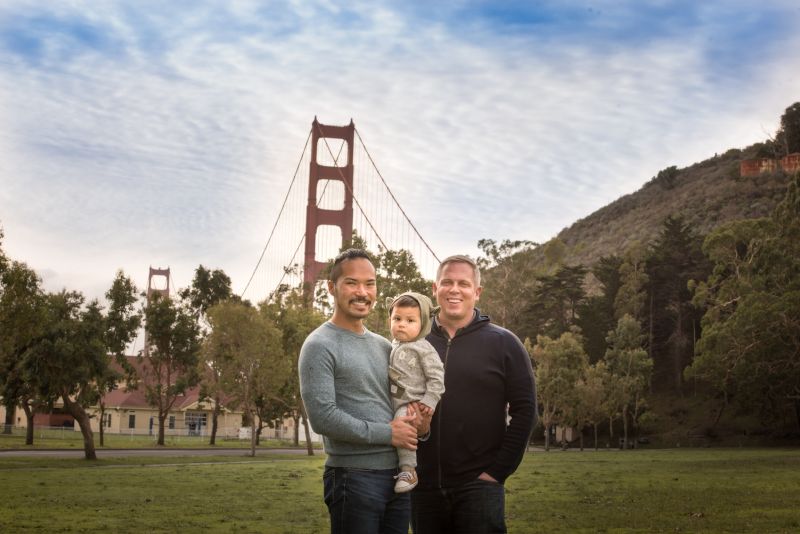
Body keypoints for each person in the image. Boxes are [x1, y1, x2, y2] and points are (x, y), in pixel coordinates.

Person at [298, 248, 424, 534]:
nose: (362, 292)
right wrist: (388, 433)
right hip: (353, 479)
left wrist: (419, 422)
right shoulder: (319, 345)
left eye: (370, 284)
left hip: (399, 478)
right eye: (352, 283)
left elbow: (398, 403)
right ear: (332, 287)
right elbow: (323, 418)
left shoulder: (384, 345)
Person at [411, 255, 538, 534]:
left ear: (477, 292)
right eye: (447, 282)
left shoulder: (504, 343)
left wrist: (495, 474)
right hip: (423, 488)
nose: (454, 289)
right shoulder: (413, 342)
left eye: (463, 284)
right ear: (435, 289)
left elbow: (526, 410)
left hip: (479, 488)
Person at [386, 291, 445, 493]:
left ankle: (408, 470)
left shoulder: (424, 348)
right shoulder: (391, 345)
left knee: (404, 424)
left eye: (410, 320)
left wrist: (429, 400)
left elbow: (437, 377)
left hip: (412, 404)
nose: (402, 324)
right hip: (393, 401)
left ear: (424, 324)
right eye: (397, 318)